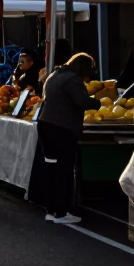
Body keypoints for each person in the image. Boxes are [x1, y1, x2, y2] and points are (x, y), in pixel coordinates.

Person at [33, 52, 102, 224]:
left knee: (51, 170)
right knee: (64, 170)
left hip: (45, 126)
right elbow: (81, 101)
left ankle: (51, 210)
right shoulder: (72, 79)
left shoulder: (54, 75)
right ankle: (62, 212)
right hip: (62, 129)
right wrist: (97, 102)